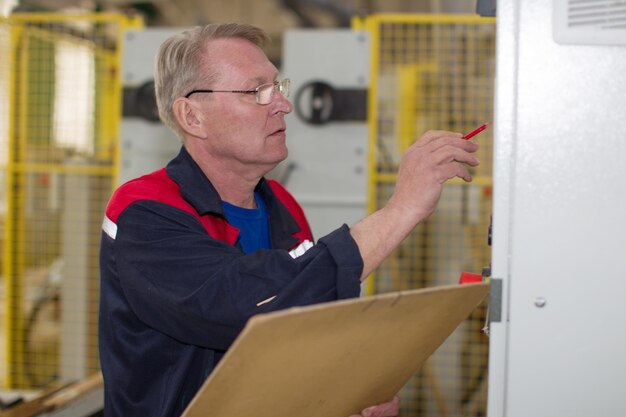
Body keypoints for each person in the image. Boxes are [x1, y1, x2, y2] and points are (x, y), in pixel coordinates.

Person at [98, 23, 479, 417]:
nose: (283, 104)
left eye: (278, 87)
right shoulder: (143, 211)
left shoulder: (281, 206)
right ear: (192, 116)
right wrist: (401, 209)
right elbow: (251, 306)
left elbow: (308, 329)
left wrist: (349, 390)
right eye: (257, 91)